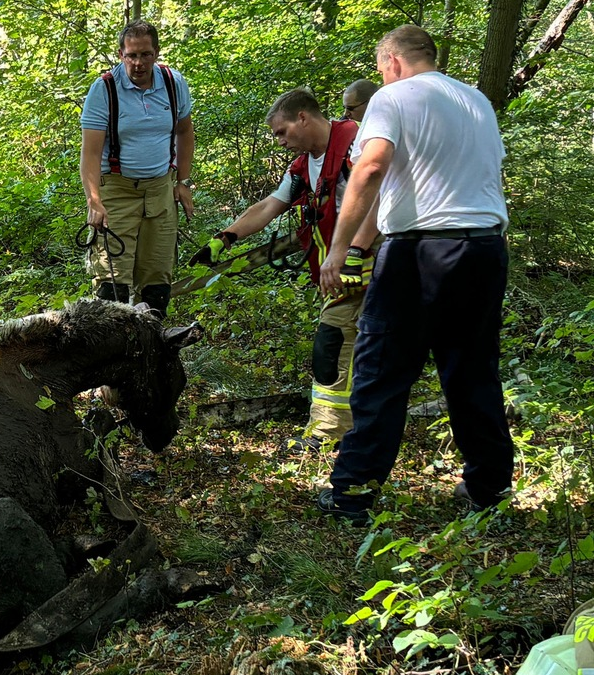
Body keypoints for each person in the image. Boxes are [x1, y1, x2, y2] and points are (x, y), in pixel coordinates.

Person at [317, 25, 514, 522]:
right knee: (472, 372)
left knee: (382, 370)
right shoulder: (475, 102)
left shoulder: (394, 96)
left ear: (393, 63)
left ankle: (353, 495)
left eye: (382, 70)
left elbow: (372, 169)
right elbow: (416, 181)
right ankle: (489, 490)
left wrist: (337, 250)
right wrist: (363, 243)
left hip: (420, 254)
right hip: (485, 249)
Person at [191, 88, 380, 452]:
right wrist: (225, 237)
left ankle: (328, 434)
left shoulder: (356, 144)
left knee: (333, 343)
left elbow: (383, 197)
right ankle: (364, 427)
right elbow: (269, 206)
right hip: (341, 267)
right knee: (366, 348)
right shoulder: (304, 166)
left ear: (303, 118)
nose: (280, 142)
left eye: (282, 132)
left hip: (366, 264)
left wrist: (354, 252)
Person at [79, 20, 195, 317]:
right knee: (111, 284)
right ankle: (110, 355)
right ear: (120, 54)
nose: (138, 63)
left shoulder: (173, 83)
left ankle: (153, 351)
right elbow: (90, 154)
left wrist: (183, 182)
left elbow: (185, 133)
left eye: (145, 55)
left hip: (159, 191)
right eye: (131, 55)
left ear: (156, 53)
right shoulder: (104, 90)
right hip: (116, 192)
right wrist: (94, 201)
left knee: (157, 281)